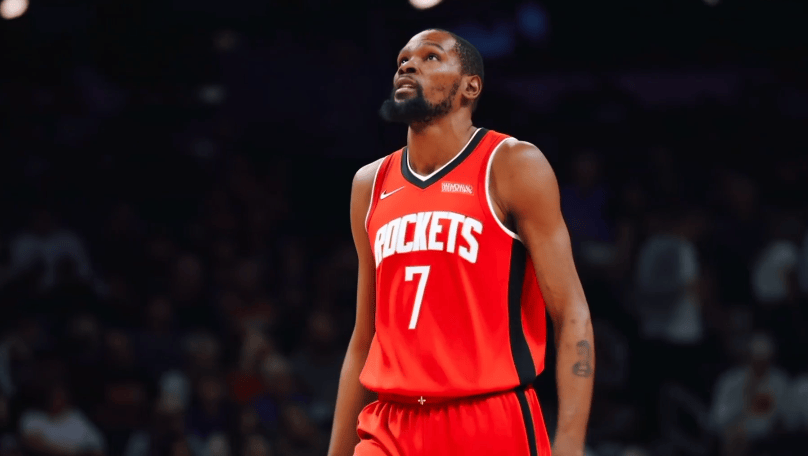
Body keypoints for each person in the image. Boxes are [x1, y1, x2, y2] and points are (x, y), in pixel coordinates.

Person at [327, 29, 594, 456]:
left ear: (471, 86)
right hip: (390, 424)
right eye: (402, 60)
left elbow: (571, 312)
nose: (408, 65)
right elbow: (364, 337)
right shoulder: (370, 184)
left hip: (487, 415)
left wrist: (570, 444)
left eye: (430, 57)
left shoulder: (512, 164)